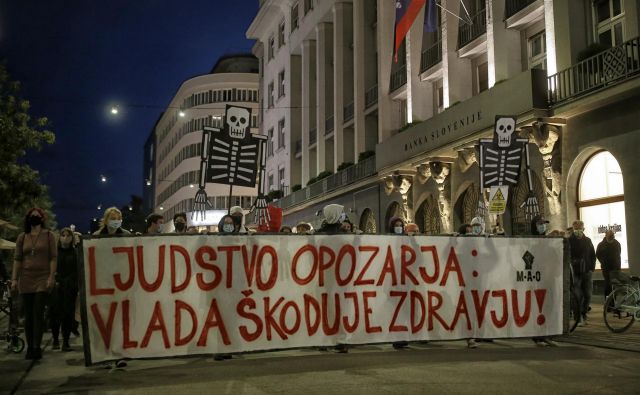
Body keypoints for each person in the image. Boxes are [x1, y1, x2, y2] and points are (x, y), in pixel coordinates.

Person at [11, 208, 57, 360]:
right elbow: (17, 260)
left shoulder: (49, 235)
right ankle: (30, 347)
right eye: (32, 216)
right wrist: (14, 280)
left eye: (37, 216)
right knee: (29, 315)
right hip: (26, 278)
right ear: (28, 219)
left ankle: (37, 346)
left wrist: (51, 277)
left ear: (42, 219)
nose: (35, 218)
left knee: (38, 312)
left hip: (42, 277)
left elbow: (53, 258)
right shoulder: (22, 237)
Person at [530, 215, 558, 347]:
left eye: (544, 223)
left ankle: (547, 334)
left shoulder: (548, 241)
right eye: (540, 224)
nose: (543, 226)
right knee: (538, 308)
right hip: (538, 280)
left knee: (549, 307)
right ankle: (538, 336)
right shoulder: (531, 242)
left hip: (549, 279)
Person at [50, 228, 79, 351]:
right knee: (55, 314)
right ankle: (55, 339)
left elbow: (77, 269)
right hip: (56, 287)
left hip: (70, 287)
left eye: (68, 235)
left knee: (68, 315)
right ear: (59, 237)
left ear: (72, 238)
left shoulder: (75, 252)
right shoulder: (55, 252)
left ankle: (65, 341)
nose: (65, 238)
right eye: (63, 235)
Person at [569, 220, 596, 326]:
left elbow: (593, 255)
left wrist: (591, 268)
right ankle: (578, 317)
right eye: (576, 229)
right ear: (573, 229)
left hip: (587, 271)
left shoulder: (588, 240)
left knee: (588, 294)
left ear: (583, 229)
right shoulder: (569, 241)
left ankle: (584, 313)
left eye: (580, 229)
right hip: (575, 272)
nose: (578, 231)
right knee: (577, 295)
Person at [596, 229, 621, 299]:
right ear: (606, 235)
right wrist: (603, 262)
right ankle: (608, 304)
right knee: (608, 286)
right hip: (606, 268)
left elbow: (618, 255)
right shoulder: (601, 245)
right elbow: (598, 254)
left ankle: (615, 304)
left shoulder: (617, 244)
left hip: (616, 268)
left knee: (615, 286)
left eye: (612, 235)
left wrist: (618, 266)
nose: (612, 236)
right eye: (610, 235)